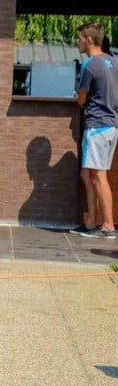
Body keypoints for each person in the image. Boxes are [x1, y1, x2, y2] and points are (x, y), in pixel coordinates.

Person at [70, 22, 118, 239]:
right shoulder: (113, 62)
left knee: (98, 177)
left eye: (80, 38)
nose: (77, 42)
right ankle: (91, 222)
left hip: (97, 126)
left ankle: (107, 226)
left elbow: (81, 99)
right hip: (110, 126)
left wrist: (81, 98)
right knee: (87, 174)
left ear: (89, 40)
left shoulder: (89, 65)